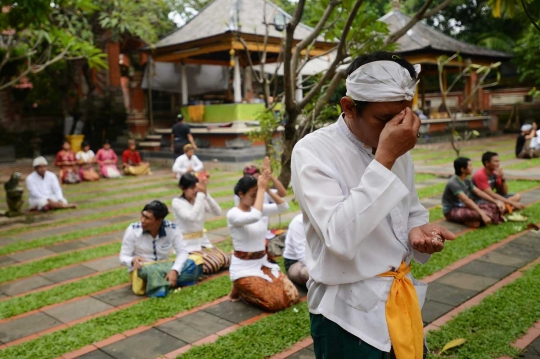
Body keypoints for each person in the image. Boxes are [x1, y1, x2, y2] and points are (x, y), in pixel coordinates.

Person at [291, 52, 457, 359]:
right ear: (349, 107)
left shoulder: (397, 148)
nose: (398, 129)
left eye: (403, 117)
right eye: (383, 119)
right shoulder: (313, 151)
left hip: (399, 297)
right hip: (346, 313)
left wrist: (418, 231)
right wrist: (385, 158)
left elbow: (411, 208)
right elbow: (339, 238)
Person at [227, 168, 298, 312]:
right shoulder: (233, 214)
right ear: (241, 194)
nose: (256, 199)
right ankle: (240, 288)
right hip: (243, 268)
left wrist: (267, 190)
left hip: (263, 264)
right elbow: (254, 216)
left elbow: (284, 206)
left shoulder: (258, 208)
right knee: (274, 303)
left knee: (292, 296)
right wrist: (260, 190)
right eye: (252, 195)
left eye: (257, 195)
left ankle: (240, 288)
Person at [119, 200, 202, 296]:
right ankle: (168, 282)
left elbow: (182, 252)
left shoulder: (172, 228)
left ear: (159, 221)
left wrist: (174, 270)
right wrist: (132, 260)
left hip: (165, 266)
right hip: (144, 268)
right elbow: (123, 257)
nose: (142, 220)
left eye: (147, 218)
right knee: (148, 271)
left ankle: (162, 282)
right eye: (142, 215)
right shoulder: (133, 230)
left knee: (197, 260)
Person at [171, 173, 230, 274]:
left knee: (225, 260)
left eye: (196, 187)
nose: (195, 191)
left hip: (203, 242)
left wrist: (206, 194)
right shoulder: (177, 202)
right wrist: (201, 195)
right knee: (212, 264)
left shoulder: (199, 199)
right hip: (186, 245)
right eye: (192, 188)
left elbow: (217, 212)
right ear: (182, 188)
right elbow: (191, 217)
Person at [443, 157, 505, 227]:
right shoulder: (453, 183)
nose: (472, 168)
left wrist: (496, 201)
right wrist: (482, 214)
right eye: (470, 165)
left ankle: (478, 220)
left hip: (464, 207)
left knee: (493, 206)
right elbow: (466, 200)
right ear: (463, 169)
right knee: (477, 214)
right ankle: (474, 220)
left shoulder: (466, 180)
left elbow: (478, 192)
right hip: (452, 211)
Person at [235, 162, 287, 240]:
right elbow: (254, 215)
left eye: (258, 179)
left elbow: (283, 196)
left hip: (263, 237)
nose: (257, 183)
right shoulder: (240, 197)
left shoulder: (263, 192)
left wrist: (269, 177)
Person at [282, 213, 308, 286]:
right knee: (308, 272)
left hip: (318, 261)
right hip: (296, 262)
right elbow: (302, 256)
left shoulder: (326, 219)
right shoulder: (299, 222)